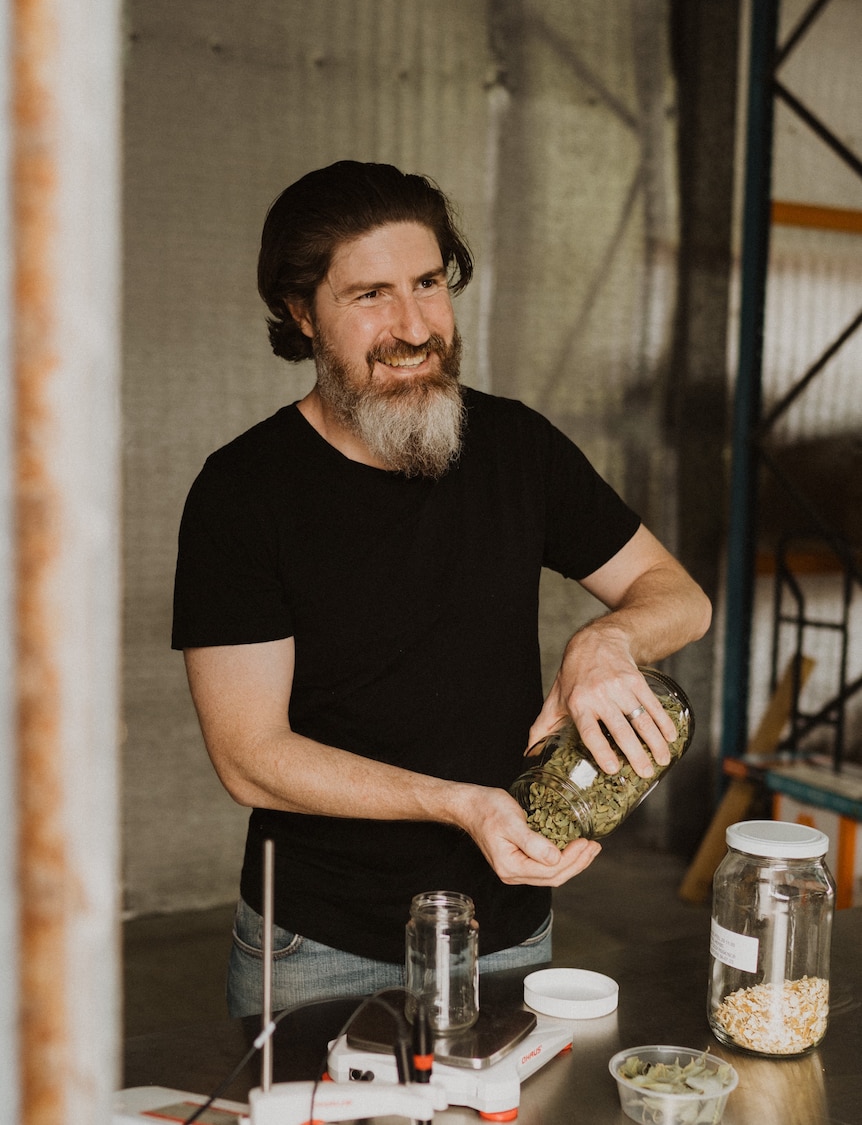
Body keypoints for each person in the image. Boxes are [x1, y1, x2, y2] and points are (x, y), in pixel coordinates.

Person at [171, 160, 712, 1017]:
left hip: (511, 931)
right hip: (319, 946)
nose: (414, 325)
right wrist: (459, 805)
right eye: (370, 295)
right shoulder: (243, 493)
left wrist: (606, 640)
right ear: (301, 312)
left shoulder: (516, 447)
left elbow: (677, 593)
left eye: (428, 283)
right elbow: (250, 758)